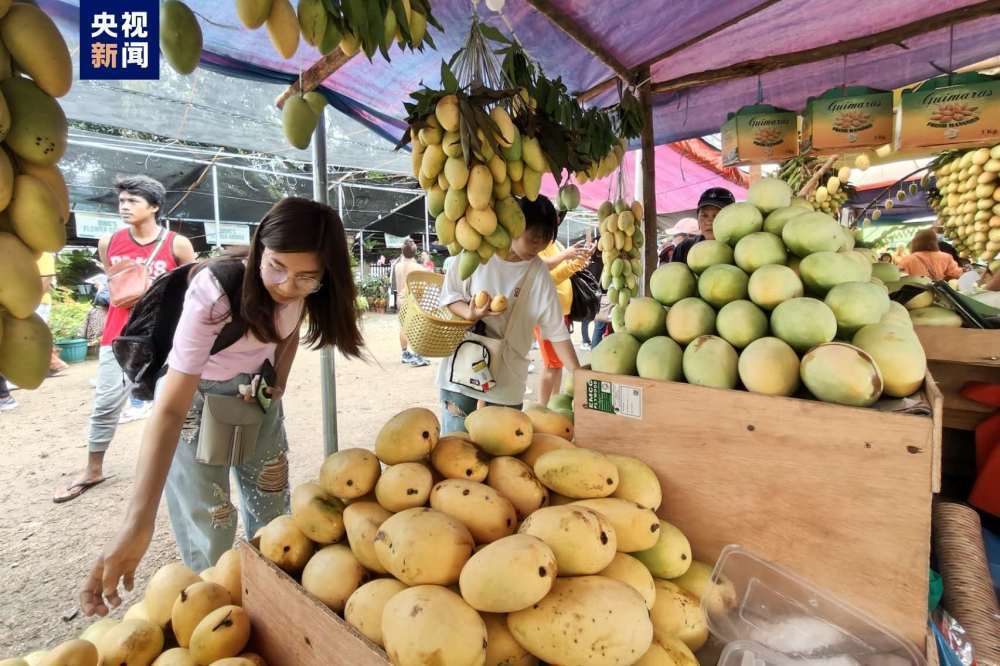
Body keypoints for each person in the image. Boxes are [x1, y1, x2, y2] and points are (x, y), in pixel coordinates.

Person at [80, 197, 364, 616]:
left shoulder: (309, 290)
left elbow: (286, 332)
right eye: (276, 266)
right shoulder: (215, 291)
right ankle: (214, 608)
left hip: (257, 393)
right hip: (197, 398)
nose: (286, 286)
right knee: (210, 518)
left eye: (306, 277)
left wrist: (276, 382)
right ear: (261, 247)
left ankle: (273, 600)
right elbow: (170, 411)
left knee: (272, 506)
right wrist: (136, 523)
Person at [54, 176, 196, 503]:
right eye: (121, 201)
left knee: (173, 404)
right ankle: (93, 468)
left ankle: (178, 469)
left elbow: (193, 288)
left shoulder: (177, 245)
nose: (124, 207)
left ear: (155, 206)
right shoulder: (109, 243)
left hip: (166, 338)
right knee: (106, 401)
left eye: (133, 201)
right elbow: (115, 284)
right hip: (118, 336)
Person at [436, 195, 581, 432]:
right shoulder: (478, 254)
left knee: (505, 444)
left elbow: (556, 331)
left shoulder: (538, 273)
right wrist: (469, 313)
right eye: (534, 238)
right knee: (455, 440)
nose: (538, 247)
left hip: (509, 372)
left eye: (545, 240)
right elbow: (450, 294)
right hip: (464, 363)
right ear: (513, 226)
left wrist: (578, 374)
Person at [535, 239, 591, 405]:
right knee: (551, 365)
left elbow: (564, 268)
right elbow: (548, 277)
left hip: (561, 312)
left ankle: (553, 403)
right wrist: (567, 257)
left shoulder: (555, 244)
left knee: (557, 364)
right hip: (545, 314)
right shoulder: (537, 246)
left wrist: (579, 260)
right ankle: (542, 407)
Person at [669, 188, 736, 265]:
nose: (709, 221)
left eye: (717, 216)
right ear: (697, 219)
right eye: (704, 215)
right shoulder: (684, 248)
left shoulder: (738, 251)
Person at [392, 239, 430, 367]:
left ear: (402, 251)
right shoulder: (419, 268)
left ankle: (405, 353)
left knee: (404, 327)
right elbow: (423, 287)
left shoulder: (397, 266)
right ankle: (418, 355)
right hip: (413, 299)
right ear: (415, 252)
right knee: (416, 327)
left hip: (400, 299)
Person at [36, 252, 70, 375]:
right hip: (34, 302)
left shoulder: (43, 254)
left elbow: (46, 279)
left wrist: (30, 300)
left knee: (35, 336)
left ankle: (53, 364)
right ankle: (51, 365)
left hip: (37, 302)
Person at [896, 228, 962, 280]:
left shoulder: (907, 260)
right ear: (935, 241)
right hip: (939, 292)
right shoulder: (946, 257)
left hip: (916, 292)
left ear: (914, 242)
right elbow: (956, 274)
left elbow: (899, 278)